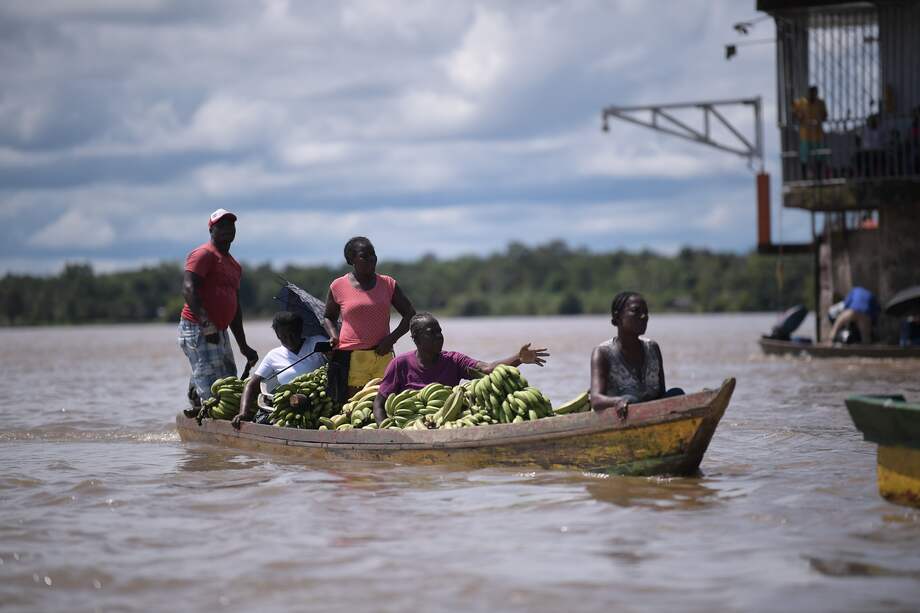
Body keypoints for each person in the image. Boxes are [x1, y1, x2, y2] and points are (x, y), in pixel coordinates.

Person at [372, 312, 550, 424]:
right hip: (411, 424)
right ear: (416, 339)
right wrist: (386, 430)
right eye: (431, 333)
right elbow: (379, 403)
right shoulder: (400, 364)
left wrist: (519, 358)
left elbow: (487, 369)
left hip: (449, 421)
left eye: (439, 331)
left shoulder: (454, 360)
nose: (438, 337)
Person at [178, 209, 258, 414]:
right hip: (199, 326)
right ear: (212, 229)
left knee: (228, 380)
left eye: (231, 225)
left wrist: (243, 345)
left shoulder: (233, 265)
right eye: (222, 226)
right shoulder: (203, 254)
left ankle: (198, 400)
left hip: (220, 329)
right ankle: (204, 413)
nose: (227, 230)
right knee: (212, 382)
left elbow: (235, 306)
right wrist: (206, 323)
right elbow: (189, 288)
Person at [323, 237, 416, 404]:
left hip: (381, 353)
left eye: (373, 254)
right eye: (364, 256)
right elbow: (328, 317)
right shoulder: (338, 286)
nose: (371, 259)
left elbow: (410, 315)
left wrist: (391, 339)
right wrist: (333, 336)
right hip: (350, 356)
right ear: (351, 259)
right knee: (354, 407)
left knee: (384, 404)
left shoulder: (388, 284)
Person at [590, 291, 682, 415]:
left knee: (677, 393)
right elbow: (596, 401)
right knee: (631, 401)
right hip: (621, 419)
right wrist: (619, 401)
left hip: (653, 415)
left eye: (646, 312)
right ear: (617, 317)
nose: (644, 316)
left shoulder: (653, 348)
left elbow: (661, 395)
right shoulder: (603, 353)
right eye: (636, 311)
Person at [231, 311, 328, 429]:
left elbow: (337, 362)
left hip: (319, 401)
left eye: (292, 334)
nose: (289, 340)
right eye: (284, 337)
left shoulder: (317, 343)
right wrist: (243, 412)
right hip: (289, 406)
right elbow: (252, 384)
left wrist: (330, 354)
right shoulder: (274, 355)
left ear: (300, 330)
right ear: (277, 335)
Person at [793, 85, 828, 179]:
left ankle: (819, 177)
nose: (812, 95)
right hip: (805, 135)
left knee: (819, 156)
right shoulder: (801, 103)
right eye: (811, 93)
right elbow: (794, 114)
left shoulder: (820, 103)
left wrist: (818, 120)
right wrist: (799, 116)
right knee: (804, 157)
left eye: (814, 93)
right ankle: (804, 177)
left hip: (817, 134)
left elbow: (825, 116)